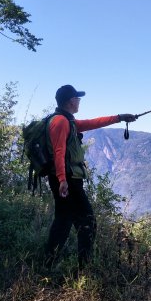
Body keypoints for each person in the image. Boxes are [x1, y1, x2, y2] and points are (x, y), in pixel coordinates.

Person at [44, 84, 136, 270]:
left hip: (66, 179)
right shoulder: (61, 122)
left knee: (65, 220)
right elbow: (59, 152)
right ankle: (81, 267)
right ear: (71, 101)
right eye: (77, 98)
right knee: (85, 221)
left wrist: (120, 118)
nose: (79, 101)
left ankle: (50, 263)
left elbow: (94, 122)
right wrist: (62, 179)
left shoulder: (66, 121)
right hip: (68, 180)